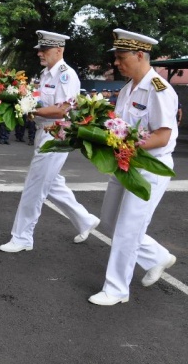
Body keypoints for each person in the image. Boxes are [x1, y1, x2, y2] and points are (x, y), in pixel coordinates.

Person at [88, 29, 178, 306]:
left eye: (121, 57)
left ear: (139, 55)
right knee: (110, 221)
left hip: (149, 166)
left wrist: (126, 147)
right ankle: (157, 256)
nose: (116, 63)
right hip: (125, 162)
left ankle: (116, 289)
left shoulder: (159, 90)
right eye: (116, 57)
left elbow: (163, 136)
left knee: (128, 228)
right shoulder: (128, 89)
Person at [0, 30, 100, 253]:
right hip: (43, 131)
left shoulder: (66, 75)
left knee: (35, 186)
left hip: (56, 134)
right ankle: (85, 220)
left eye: (44, 49)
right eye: (39, 49)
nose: (39, 53)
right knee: (52, 183)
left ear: (58, 50)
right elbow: (40, 101)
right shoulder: (45, 74)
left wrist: (30, 110)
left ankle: (22, 237)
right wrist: (27, 105)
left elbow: (63, 110)